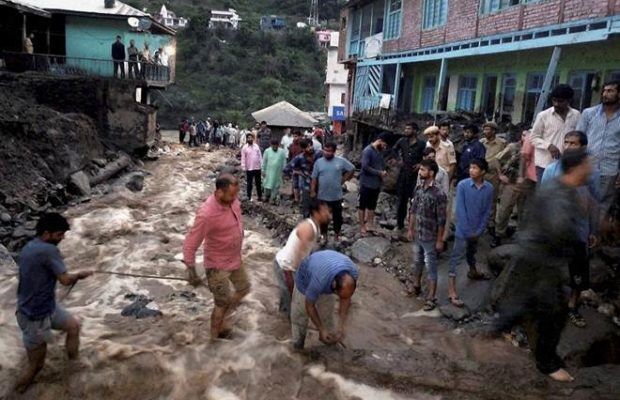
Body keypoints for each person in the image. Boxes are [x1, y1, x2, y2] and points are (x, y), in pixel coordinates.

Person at [493, 148, 592, 382]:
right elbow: (556, 229)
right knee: (553, 311)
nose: (591, 169)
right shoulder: (559, 194)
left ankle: (503, 326)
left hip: (541, 258)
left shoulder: (562, 189)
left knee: (539, 304)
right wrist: (575, 245)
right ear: (577, 167)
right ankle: (545, 363)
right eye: (588, 164)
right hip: (541, 259)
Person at [15, 213, 93, 392]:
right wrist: (79, 275)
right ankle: (14, 392)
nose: (62, 238)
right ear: (47, 233)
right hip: (34, 317)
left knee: (73, 326)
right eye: (59, 234)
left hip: (44, 308)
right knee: (36, 367)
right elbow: (65, 280)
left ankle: (73, 363)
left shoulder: (29, 247)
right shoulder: (49, 250)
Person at [540, 131, 600, 328]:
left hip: (579, 232)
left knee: (577, 273)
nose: (568, 146)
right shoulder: (551, 170)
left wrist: (593, 230)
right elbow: (543, 201)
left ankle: (572, 306)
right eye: (566, 142)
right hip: (555, 232)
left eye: (573, 143)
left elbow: (594, 202)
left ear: (583, 147)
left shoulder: (589, 173)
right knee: (550, 271)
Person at [183, 173, 249, 340]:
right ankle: (213, 338)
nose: (235, 198)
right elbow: (191, 243)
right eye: (232, 195)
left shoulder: (233, 202)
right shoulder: (206, 214)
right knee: (221, 303)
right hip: (217, 266)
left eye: (236, 194)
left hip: (235, 258)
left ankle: (225, 318)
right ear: (219, 192)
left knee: (244, 288)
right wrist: (192, 272)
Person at [290, 250, 359, 350]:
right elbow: (309, 306)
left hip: (326, 268)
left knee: (327, 315)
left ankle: (328, 342)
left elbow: (346, 299)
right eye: (339, 295)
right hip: (305, 279)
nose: (341, 298)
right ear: (334, 286)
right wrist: (320, 328)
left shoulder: (353, 272)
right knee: (300, 316)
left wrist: (341, 325)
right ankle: (297, 346)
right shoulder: (319, 280)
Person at [448, 158, 494, 307]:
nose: (471, 170)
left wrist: (479, 230)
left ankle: (473, 271)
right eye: (470, 167)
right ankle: (451, 290)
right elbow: (460, 210)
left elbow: (487, 211)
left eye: (475, 168)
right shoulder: (463, 185)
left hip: (476, 230)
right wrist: (468, 231)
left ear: (483, 172)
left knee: (471, 252)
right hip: (463, 230)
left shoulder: (489, 188)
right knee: (455, 258)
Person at [274, 200, 331, 316]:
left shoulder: (316, 226)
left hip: (288, 266)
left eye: (329, 211)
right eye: (325, 211)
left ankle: (281, 320)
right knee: (293, 304)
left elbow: (307, 253)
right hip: (285, 267)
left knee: (290, 300)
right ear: (315, 213)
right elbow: (300, 255)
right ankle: (286, 326)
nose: (329, 214)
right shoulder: (308, 228)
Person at [576, 80, 620, 224]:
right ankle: (580, 240)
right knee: (582, 204)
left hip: (609, 170)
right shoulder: (589, 113)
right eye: (604, 91)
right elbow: (578, 139)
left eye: (610, 91)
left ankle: (593, 240)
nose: (605, 94)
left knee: (602, 206)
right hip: (587, 167)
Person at [407, 160, 447, 311]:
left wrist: (440, 240)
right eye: (420, 169)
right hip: (418, 233)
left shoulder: (439, 194)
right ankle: (416, 286)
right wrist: (410, 229)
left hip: (431, 236)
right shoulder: (419, 189)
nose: (420, 172)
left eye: (423, 170)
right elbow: (413, 210)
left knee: (431, 266)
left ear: (431, 173)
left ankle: (431, 297)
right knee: (417, 261)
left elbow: (442, 219)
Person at [530, 84, 581, 182]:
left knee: (562, 195)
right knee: (545, 195)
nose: (556, 104)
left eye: (560, 101)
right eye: (554, 100)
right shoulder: (543, 116)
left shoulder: (576, 115)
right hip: (545, 164)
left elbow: (579, 137)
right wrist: (548, 146)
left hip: (567, 164)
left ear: (569, 101)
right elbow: (533, 137)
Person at [310, 142, 355, 241]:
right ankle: (324, 236)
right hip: (322, 195)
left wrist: (344, 179)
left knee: (337, 218)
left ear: (334, 152)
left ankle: (336, 235)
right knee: (323, 218)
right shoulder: (319, 162)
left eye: (329, 151)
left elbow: (352, 169)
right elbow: (314, 178)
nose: (327, 153)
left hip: (336, 196)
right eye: (325, 150)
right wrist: (312, 190)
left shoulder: (340, 161)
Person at [392, 123, 426, 236]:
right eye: (405, 128)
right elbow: (394, 150)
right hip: (403, 176)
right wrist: (398, 160)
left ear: (415, 131)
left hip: (415, 178)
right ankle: (400, 224)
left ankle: (412, 227)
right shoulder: (402, 141)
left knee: (415, 202)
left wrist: (420, 164)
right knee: (401, 201)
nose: (406, 130)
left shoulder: (421, 144)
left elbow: (427, 156)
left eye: (409, 128)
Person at [493, 131, 524, 247]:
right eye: (524, 135)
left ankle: (520, 237)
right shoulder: (513, 147)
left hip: (526, 184)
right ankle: (498, 235)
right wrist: (500, 175)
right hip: (511, 183)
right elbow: (497, 159)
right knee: (504, 209)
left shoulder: (535, 149)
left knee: (523, 211)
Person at [480, 121, 507, 247]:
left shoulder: (502, 143)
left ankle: (491, 224)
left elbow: (506, 158)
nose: (485, 132)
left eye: (488, 129)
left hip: (494, 175)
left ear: (494, 131)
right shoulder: (481, 143)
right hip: (480, 174)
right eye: (484, 129)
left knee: (492, 200)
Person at [358, 132, 389, 235]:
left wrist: (385, 169)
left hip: (376, 184)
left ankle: (370, 224)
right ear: (379, 141)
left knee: (372, 205)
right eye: (384, 144)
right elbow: (365, 167)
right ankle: (362, 225)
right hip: (366, 183)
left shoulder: (379, 151)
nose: (385, 147)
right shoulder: (368, 151)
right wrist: (379, 172)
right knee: (362, 205)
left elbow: (380, 164)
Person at [287, 139, 323, 217]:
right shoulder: (299, 158)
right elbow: (286, 169)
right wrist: (297, 172)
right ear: (303, 149)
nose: (310, 148)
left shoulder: (319, 154)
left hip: (320, 186)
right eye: (307, 147)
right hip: (307, 186)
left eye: (311, 145)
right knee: (306, 208)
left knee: (318, 208)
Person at [517, 129, 538, 227]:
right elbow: (524, 157)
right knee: (527, 207)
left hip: (548, 178)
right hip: (531, 178)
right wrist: (521, 176)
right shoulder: (532, 136)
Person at [262, 138, 287, 204]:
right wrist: (263, 170)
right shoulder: (267, 151)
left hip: (277, 172)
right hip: (268, 171)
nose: (275, 147)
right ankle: (266, 196)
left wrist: (284, 171)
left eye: (276, 146)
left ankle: (273, 198)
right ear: (271, 145)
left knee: (276, 185)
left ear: (278, 145)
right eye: (273, 146)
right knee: (267, 184)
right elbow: (264, 161)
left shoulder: (282, 152)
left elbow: (284, 162)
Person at [240, 133, 263, 202]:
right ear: (246, 139)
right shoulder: (244, 148)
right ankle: (249, 197)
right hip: (249, 168)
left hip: (257, 167)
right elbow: (243, 158)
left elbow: (260, 156)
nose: (250, 139)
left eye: (251, 138)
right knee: (249, 183)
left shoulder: (256, 146)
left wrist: (262, 164)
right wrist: (243, 167)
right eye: (248, 138)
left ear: (253, 138)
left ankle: (260, 197)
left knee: (258, 183)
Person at [288, 131, 304, 203]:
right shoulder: (291, 145)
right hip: (294, 168)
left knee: (301, 184)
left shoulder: (303, 145)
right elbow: (290, 157)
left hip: (302, 168)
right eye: (294, 136)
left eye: (296, 136)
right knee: (295, 184)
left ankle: (302, 200)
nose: (295, 138)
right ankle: (296, 199)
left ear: (300, 136)